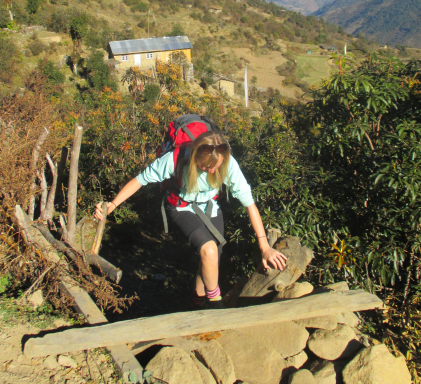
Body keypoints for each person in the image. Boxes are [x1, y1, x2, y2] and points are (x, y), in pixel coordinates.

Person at [94, 131, 287, 308]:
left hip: (210, 207)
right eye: (205, 167)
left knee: (211, 261)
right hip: (181, 207)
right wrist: (112, 205)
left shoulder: (229, 164)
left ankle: (197, 302)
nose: (212, 171)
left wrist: (265, 248)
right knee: (209, 250)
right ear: (195, 157)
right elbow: (140, 180)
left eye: (216, 167)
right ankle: (215, 305)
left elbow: (249, 204)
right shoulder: (175, 159)